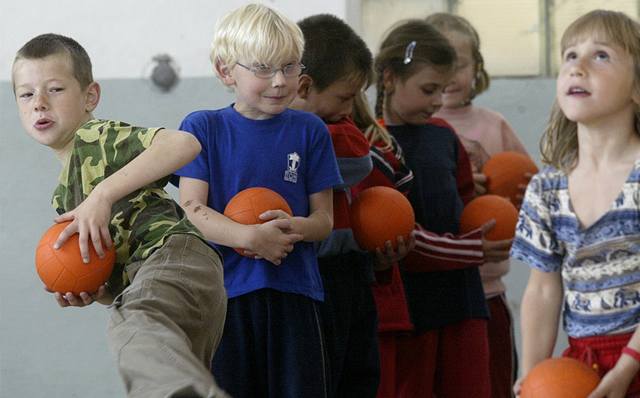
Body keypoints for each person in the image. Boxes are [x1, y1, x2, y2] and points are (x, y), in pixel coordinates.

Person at [12, 33, 227, 398]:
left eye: (55, 90)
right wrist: (94, 290)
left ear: (90, 97)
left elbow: (184, 144)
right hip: (166, 279)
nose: (40, 104)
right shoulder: (65, 198)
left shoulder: (96, 136)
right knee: (157, 357)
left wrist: (103, 194)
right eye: (27, 94)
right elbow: (120, 286)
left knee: (133, 324)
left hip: (175, 257)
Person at [173, 4, 343, 398]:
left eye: (289, 66)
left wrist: (290, 229)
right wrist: (250, 238)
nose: (280, 81)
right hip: (225, 299)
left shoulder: (311, 130)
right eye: (263, 69)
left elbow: (324, 220)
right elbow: (192, 210)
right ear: (225, 70)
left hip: (294, 295)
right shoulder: (203, 127)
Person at [371, 19, 512, 397]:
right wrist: (472, 250)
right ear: (388, 79)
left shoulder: (445, 136)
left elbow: (469, 209)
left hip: (465, 303)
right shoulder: (373, 144)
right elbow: (401, 236)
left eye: (442, 89)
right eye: (428, 89)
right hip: (409, 312)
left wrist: (502, 208)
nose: (437, 101)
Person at [512, 9, 640, 398]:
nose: (578, 66)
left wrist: (625, 370)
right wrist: (531, 375)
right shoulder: (546, 188)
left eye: (601, 55)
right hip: (581, 366)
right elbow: (543, 291)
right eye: (570, 55)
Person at [428, 12, 529, 397]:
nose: (451, 74)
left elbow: (527, 190)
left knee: (494, 381)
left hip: (487, 288)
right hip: (430, 284)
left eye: (460, 63)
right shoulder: (410, 127)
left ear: (477, 68)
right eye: (441, 63)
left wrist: (498, 193)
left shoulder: (493, 124)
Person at [289, 14, 380, 397]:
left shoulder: (337, 132)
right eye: (344, 97)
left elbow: (360, 160)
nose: (349, 109)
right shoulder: (293, 134)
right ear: (305, 87)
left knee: (358, 373)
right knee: (321, 376)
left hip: (350, 269)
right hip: (311, 274)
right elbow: (359, 158)